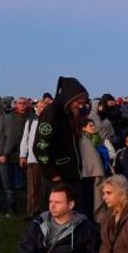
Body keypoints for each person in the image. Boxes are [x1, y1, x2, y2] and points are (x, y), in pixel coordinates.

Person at [35, 76, 92, 215]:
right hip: (58, 177)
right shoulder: (52, 113)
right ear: (69, 98)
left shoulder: (69, 113)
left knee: (73, 213)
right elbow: (40, 146)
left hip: (71, 174)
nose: (80, 105)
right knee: (57, 214)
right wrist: (51, 173)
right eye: (78, 102)